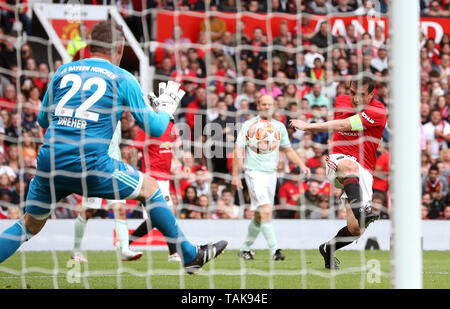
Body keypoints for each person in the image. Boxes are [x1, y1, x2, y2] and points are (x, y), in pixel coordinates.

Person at [0, 20, 227, 274]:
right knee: (150, 188)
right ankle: (189, 255)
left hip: (50, 161)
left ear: (89, 46)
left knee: (28, 225)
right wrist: (165, 111)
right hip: (90, 162)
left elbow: (43, 119)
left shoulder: (63, 71)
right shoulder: (122, 77)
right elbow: (154, 127)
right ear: (119, 48)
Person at [290, 77, 387, 269]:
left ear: (371, 94)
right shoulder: (341, 100)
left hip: (364, 169)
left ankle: (328, 248)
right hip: (338, 159)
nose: (354, 99)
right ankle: (362, 210)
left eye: (360, 95)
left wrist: (307, 126)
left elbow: (343, 125)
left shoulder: (378, 111)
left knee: (356, 229)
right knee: (349, 167)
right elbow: (338, 125)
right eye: (352, 92)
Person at [232, 94, 311, 261]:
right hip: (253, 172)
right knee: (266, 209)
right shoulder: (248, 125)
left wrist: (301, 165)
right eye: (264, 104)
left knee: (261, 214)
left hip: (272, 173)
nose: (267, 107)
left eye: (270, 104)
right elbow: (238, 150)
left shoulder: (279, 126)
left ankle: (245, 249)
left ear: (274, 106)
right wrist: (235, 175)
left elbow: (287, 149)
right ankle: (275, 251)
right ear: (258, 106)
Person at [71, 121, 143, 263]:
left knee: (120, 209)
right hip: (95, 169)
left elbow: (115, 147)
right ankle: (76, 250)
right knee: (89, 211)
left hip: (114, 170)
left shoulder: (118, 121)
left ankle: (124, 250)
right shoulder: (93, 118)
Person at [128, 120, 182, 262]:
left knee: (156, 218)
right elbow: (135, 149)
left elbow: (174, 147)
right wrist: (133, 171)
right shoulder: (149, 125)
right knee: (168, 214)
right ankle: (173, 252)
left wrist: (178, 163)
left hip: (165, 177)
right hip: (152, 177)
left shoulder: (171, 125)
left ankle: (126, 242)